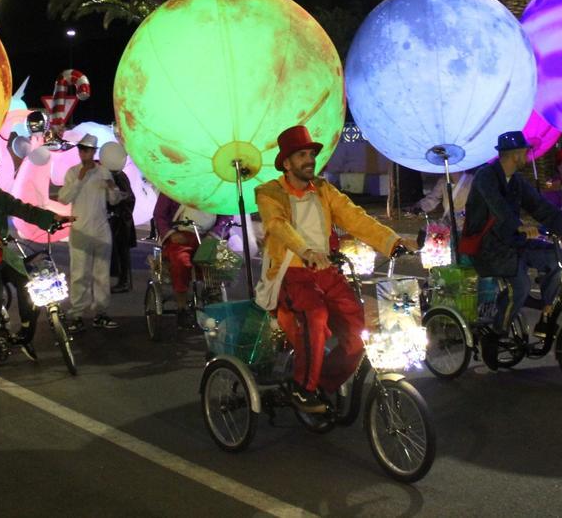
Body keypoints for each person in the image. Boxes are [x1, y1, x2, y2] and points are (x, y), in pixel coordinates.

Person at [256, 125, 419, 414]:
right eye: (302, 155)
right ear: (287, 162)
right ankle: (302, 388)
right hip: (290, 273)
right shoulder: (270, 193)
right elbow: (276, 225)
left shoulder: (323, 189)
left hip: (325, 270)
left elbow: (355, 218)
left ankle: (322, 381)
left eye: (311, 154)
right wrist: (304, 250)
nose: (309, 160)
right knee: (315, 315)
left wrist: (393, 241)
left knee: (359, 331)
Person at [0, 154, 74, 378]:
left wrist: (52, 218)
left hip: (1, 253)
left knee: (30, 285)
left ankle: (25, 334)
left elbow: (23, 209)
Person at [461, 131, 562, 338]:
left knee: (558, 258)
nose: (528, 155)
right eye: (525, 152)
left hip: (513, 242)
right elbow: (497, 206)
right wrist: (518, 225)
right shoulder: (486, 176)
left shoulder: (516, 181)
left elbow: (539, 206)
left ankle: (546, 315)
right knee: (521, 285)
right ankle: (497, 333)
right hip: (489, 247)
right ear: (514, 154)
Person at [58, 135, 126, 331]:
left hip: (101, 228)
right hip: (80, 229)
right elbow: (64, 198)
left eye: (87, 150)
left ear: (94, 152)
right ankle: (77, 314)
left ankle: (101, 313)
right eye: (81, 150)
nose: (84, 154)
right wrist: (80, 178)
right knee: (79, 273)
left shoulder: (104, 171)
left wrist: (113, 189)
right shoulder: (72, 172)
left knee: (102, 274)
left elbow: (113, 201)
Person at [152, 192, 233, 328]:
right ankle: (181, 307)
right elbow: (159, 215)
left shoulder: (216, 187)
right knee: (181, 263)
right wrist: (171, 234)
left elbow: (227, 216)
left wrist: (215, 234)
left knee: (220, 263)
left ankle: (214, 295)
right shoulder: (171, 185)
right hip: (180, 236)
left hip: (209, 235)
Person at [107, 161, 136, 294]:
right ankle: (122, 281)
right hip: (120, 219)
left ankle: (124, 282)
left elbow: (128, 197)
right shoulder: (117, 175)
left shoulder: (118, 176)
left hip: (121, 220)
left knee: (121, 252)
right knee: (119, 252)